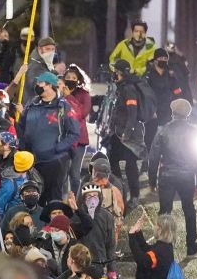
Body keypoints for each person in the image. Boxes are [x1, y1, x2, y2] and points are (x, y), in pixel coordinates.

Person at [148, 98, 197, 256]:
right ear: (187, 114)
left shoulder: (163, 130)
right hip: (187, 177)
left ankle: (164, 245)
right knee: (189, 210)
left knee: (165, 212)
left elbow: (153, 157)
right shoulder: (194, 133)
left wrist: (152, 181)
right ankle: (191, 245)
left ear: (172, 113)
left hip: (167, 175)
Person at [16, 71, 79, 203]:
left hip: (55, 161)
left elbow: (74, 133)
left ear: (50, 85)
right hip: (33, 161)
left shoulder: (63, 106)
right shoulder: (32, 104)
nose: (37, 85)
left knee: (53, 199)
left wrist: (58, 148)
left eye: (41, 83)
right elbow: (20, 126)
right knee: (35, 197)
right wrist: (23, 148)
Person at [102, 59, 154, 204]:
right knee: (113, 161)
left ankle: (135, 196)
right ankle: (121, 190)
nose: (114, 74)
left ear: (120, 72)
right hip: (117, 132)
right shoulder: (120, 86)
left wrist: (128, 132)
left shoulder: (129, 89)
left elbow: (132, 113)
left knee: (131, 165)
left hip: (128, 133)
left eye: (115, 71)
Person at [129, 213, 177, 279]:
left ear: (160, 230)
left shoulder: (159, 251)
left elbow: (142, 260)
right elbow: (147, 250)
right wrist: (137, 233)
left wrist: (132, 237)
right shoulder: (165, 247)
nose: (154, 227)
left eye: (156, 225)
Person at [144, 48, 185, 150]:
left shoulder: (170, 75)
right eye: (161, 58)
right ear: (155, 60)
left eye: (165, 58)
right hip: (152, 112)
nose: (163, 60)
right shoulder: (148, 75)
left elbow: (177, 92)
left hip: (167, 111)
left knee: (166, 138)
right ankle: (149, 160)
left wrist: (177, 106)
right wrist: (151, 110)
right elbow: (145, 95)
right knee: (150, 138)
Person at [60, 64, 92, 194]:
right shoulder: (58, 93)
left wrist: (69, 97)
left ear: (78, 80)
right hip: (63, 139)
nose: (71, 79)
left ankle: (75, 199)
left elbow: (81, 114)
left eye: (74, 77)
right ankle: (62, 200)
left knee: (74, 173)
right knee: (62, 174)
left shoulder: (84, 95)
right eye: (68, 77)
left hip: (79, 140)